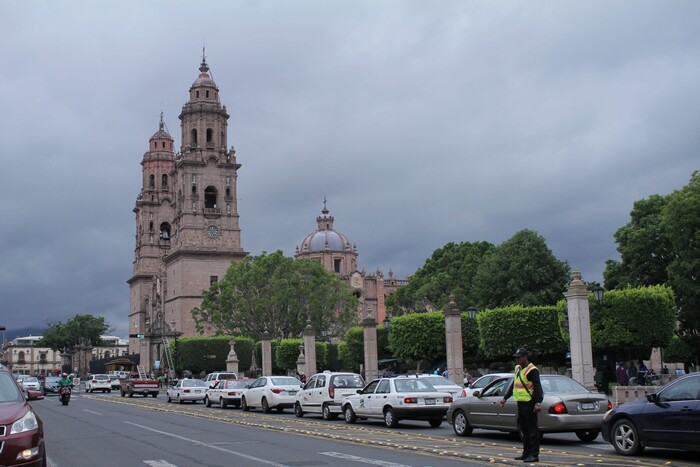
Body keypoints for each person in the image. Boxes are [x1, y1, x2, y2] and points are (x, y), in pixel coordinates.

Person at [499, 348, 543, 463]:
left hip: (530, 403)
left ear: (525, 357)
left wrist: (538, 402)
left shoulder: (532, 370)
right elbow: (514, 384)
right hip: (521, 403)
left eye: (519, 357)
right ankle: (526, 453)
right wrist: (505, 398)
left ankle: (534, 455)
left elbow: (538, 387)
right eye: (516, 358)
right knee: (524, 429)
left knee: (532, 430)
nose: (517, 360)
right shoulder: (518, 368)